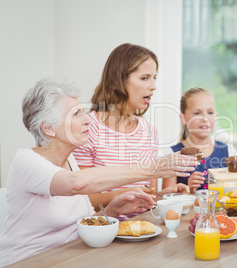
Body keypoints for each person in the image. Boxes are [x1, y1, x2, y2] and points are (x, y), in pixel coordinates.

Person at [0, 77, 197, 266]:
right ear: (49, 128)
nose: (88, 121)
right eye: (76, 114)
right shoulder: (26, 162)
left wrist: (113, 209)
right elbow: (75, 184)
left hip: (69, 259)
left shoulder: (70, 161)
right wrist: (154, 168)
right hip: (27, 263)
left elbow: (82, 224)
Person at [73, 43, 188, 218]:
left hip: (143, 231)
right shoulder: (88, 128)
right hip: (102, 232)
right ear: (119, 80)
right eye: (144, 78)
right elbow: (79, 198)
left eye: (154, 78)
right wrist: (125, 195)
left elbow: (148, 195)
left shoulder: (149, 131)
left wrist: (163, 194)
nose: (153, 86)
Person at [162, 87, 237, 193]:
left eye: (210, 112)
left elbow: (236, 191)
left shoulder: (229, 151)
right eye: (197, 113)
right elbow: (166, 200)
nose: (205, 118)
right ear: (184, 118)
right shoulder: (172, 155)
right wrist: (188, 189)